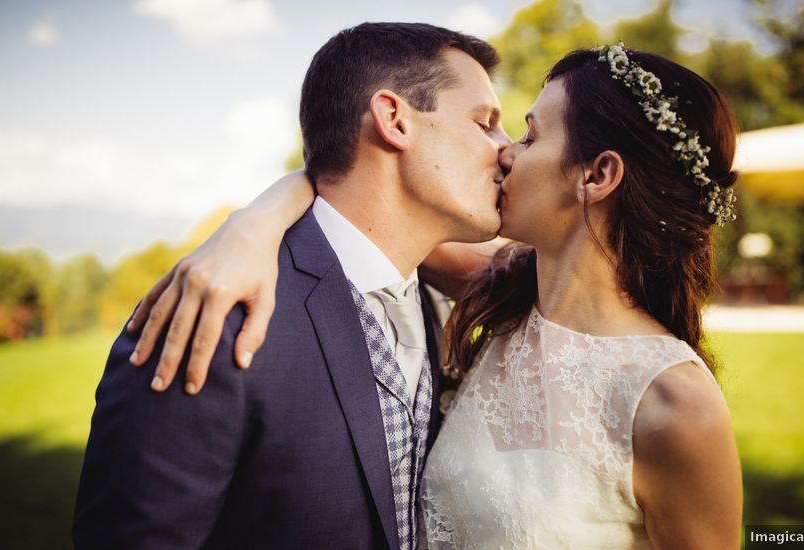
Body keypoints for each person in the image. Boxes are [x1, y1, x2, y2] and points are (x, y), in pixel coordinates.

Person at [128, 43, 745, 548]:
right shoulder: (499, 294)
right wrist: (252, 224)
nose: (505, 150)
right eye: (493, 126)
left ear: (597, 175)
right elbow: (355, 200)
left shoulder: (674, 405)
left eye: (529, 137)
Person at [73, 22, 510, 549]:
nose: (506, 151)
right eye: (485, 123)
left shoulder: (445, 291)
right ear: (394, 120)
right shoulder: (214, 314)